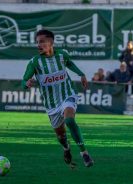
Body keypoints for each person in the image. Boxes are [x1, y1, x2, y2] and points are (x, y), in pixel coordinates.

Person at [22, 30, 94, 168]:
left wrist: (81, 74)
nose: (39, 45)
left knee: (69, 120)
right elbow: (24, 80)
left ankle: (84, 153)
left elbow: (70, 63)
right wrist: (27, 83)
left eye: (42, 41)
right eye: (37, 42)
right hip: (51, 104)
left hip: (68, 95)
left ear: (51, 42)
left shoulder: (62, 55)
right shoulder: (35, 62)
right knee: (61, 136)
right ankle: (66, 149)